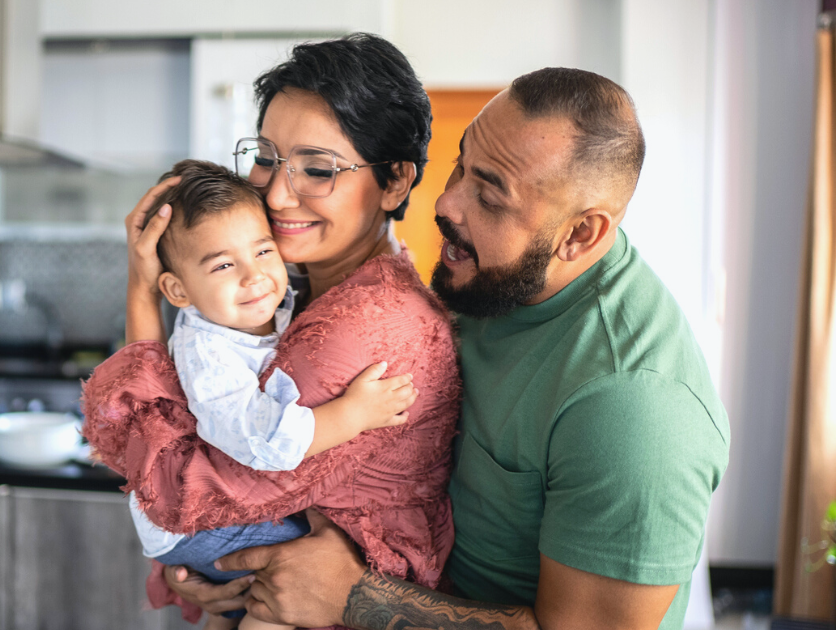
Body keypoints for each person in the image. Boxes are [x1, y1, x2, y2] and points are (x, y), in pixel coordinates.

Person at [207, 69, 731, 630]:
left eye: (488, 194)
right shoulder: (486, 281)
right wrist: (221, 567)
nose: (448, 203)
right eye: (460, 165)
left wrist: (352, 596)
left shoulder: (634, 408)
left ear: (580, 235)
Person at [79, 33, 461, 630]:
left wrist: (140, 290)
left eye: (317, 168)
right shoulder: (295, 289)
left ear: (394, 181)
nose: (277, 193)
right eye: (265, 157)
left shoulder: (360, 328)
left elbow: (182, 491)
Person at [107, 158, 419, 630]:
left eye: (264, 251)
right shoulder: (208, 353)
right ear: (177, 290)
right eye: (225, 265)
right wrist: (354, 414)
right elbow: (263, 440)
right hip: (196, 525)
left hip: (195, 520)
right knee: (293, 569)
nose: (253, 276)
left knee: (263, 586)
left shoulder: (263, 303)